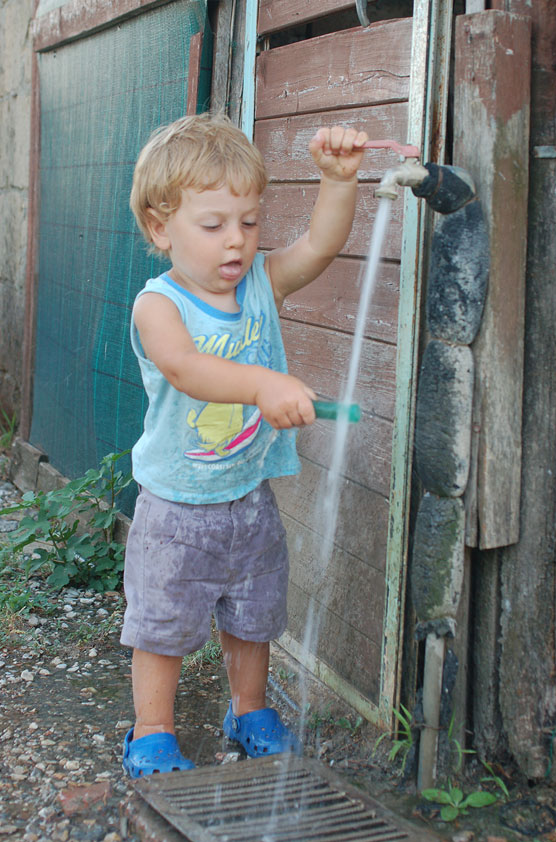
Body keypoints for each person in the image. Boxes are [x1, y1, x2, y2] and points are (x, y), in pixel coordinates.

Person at [121, 112, 367, 777]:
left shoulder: (259, 281)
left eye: (250, 222)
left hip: (248, 497)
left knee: (254, 615)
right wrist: (263, 384)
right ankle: (152, 731)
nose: (236, 240)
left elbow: (319, 246)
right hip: (176, 506)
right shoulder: (159, 305)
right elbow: (185, 369)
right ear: (160, 228)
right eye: (213, 225)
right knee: (163, 625)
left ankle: (249, 711)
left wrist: (337, 181)